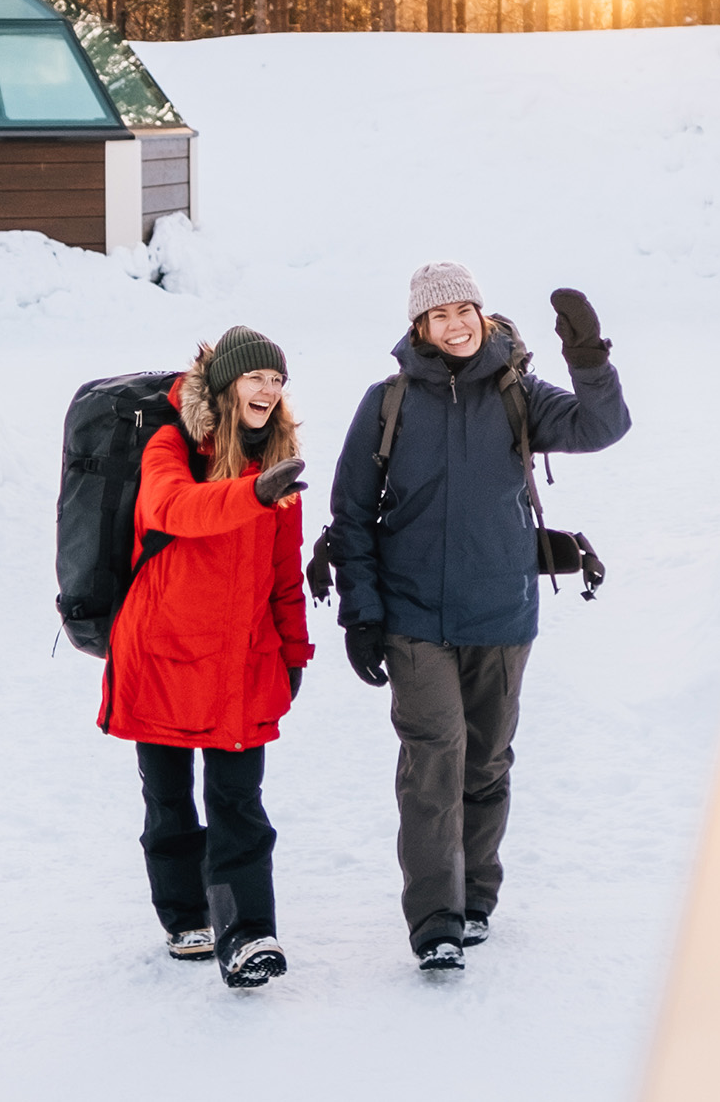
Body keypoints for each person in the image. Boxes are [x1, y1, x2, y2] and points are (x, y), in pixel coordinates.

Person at [328, 262, 631, 972]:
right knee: (435, 761)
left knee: (487, 763)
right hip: (413, 618)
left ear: (483, 314)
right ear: (420, 328)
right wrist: (361, 613)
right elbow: (351, 514)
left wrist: (588, 359)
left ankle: (476, 900)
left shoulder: (516, 392)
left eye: (466, 308)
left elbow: (603, 424)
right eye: (440, 315)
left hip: (501, 613)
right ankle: (436, 919)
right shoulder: (387, 403)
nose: (457, 323)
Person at [99, 325, 313, 989]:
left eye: (277, 381)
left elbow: (284, 573)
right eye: (256, 377)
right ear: (224, 384)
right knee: (169, 799)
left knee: (238, 802)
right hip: (159, 651)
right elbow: (172, 508)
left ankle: (249, 932)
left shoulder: (278, 460)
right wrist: (252, 493)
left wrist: (295, 650)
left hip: (239, 660)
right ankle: (186, 914)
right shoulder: (170, 445)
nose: (268, 390)